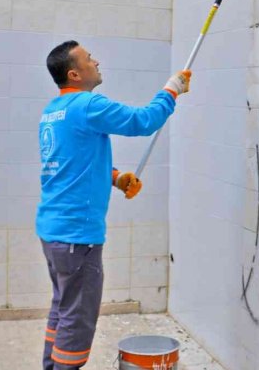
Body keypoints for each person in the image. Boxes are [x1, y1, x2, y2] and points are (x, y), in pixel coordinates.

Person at [36, 40, 190, 369]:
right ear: (75, 73)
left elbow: (71, 166)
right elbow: (143, 121)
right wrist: (172, 90)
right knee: (77, 320)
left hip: (53, 233)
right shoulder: (87, 105)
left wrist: (116, 177)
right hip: (78, 237)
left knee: (62, 309)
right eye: (89, 59)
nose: (97, 61)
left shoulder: (53, 112)